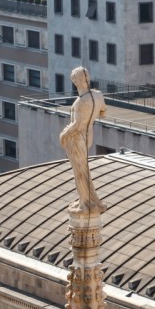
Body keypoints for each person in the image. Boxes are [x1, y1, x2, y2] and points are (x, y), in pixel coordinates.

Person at [59, 67, 107, 213]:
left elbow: (77, 125)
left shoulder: (80, 102)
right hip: (88, 135)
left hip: (77, 138)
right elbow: (103, 113)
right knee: (84, 170)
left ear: (77, 81)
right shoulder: (98, 95)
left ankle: (85, 204)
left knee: (80, 172)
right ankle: (91, 200)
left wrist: (64, 134)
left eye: (75, 79)